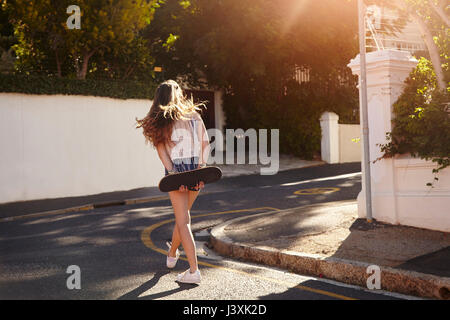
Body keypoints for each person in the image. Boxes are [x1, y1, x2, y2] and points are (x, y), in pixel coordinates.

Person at [136, 80, 210, 284]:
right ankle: (171, 255)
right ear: (178, 94)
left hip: (176, 170)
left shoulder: (161, 119)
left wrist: (175, 175)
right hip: (196, 169)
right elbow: (205, 144)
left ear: (159, 97)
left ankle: (194, 271)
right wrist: (201, 171)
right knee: (183, 217)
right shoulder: (194, 115)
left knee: (183, 221)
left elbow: (162, 154)